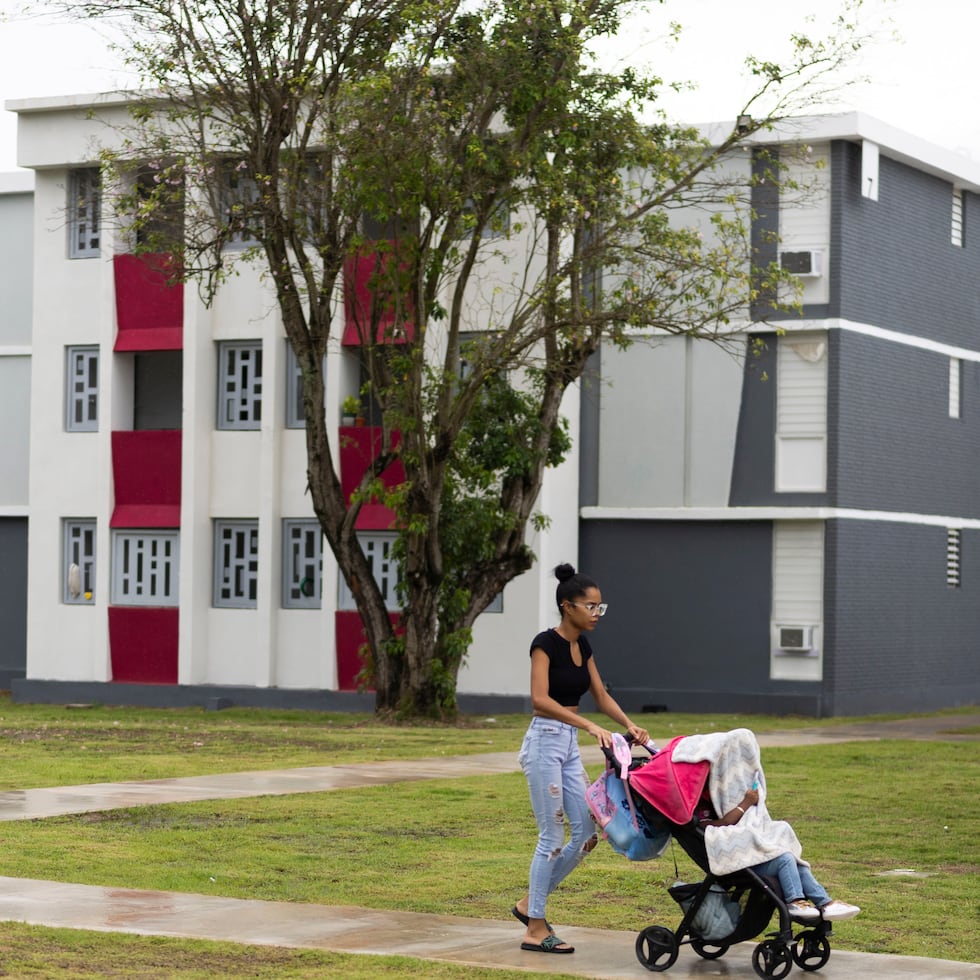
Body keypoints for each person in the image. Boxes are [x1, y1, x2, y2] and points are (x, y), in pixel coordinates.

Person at [513, 563, 650, 955]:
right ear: (567, 606)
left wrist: (628, 724)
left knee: (589, 834)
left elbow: (601, 695)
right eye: (590, 606)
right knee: (551, 836)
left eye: (599, 607)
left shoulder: (583, 646)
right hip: (544, 743)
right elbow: (540, 700)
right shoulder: (545, 643)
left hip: (568, 744)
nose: (596, 613)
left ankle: (529, 905)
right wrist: (589, 726)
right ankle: (535, 928)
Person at [702, 788, 861, 921]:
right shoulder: (702, 805)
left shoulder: (728, 791)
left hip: (752, 856)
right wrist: (745, 803)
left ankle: (825, 903)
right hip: (736, 864)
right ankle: (795, 901)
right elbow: (717, 825)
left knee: (797, 864)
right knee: (785, 859)